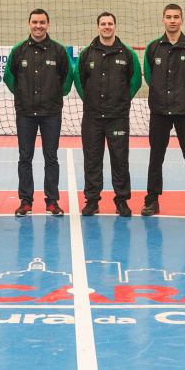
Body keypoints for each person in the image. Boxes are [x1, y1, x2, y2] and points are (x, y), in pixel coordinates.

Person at [4, 8, 74, 217]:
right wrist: (22, 95)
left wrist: (54, 96)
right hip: (25, 113)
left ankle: (52, 201)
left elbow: (67, 78)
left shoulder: (59, 51)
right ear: (29, 24)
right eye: (35, 22)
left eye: (42, 22)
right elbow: (9, 77)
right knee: (25, 157)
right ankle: (26, 201)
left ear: (48, 24)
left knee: (51, 157)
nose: (38, 26)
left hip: (51, 113)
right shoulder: (19, 51)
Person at [142, 4, 185, 218]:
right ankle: (152, 201)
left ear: (182, 20)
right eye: (168, 17)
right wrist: (162, 95)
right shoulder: (153, 48)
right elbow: (149, 77)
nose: (172, 20)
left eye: (176, 17)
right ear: (163, 20)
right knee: (155, 158)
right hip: (159, 111)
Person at [74, 12, 142, 217]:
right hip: (92, 117)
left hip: (118, 116)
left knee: (120, 159)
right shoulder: (87, 54)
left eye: (110, 23)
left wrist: (121, 100)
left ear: (115, 26)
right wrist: (91, 101)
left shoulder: (127, 53)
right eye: (103, 24)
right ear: (97, 27)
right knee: (92, 159)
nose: (106, 27)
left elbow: (136, 81)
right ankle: (92, 201)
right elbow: (79, 80)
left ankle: (121, 201)